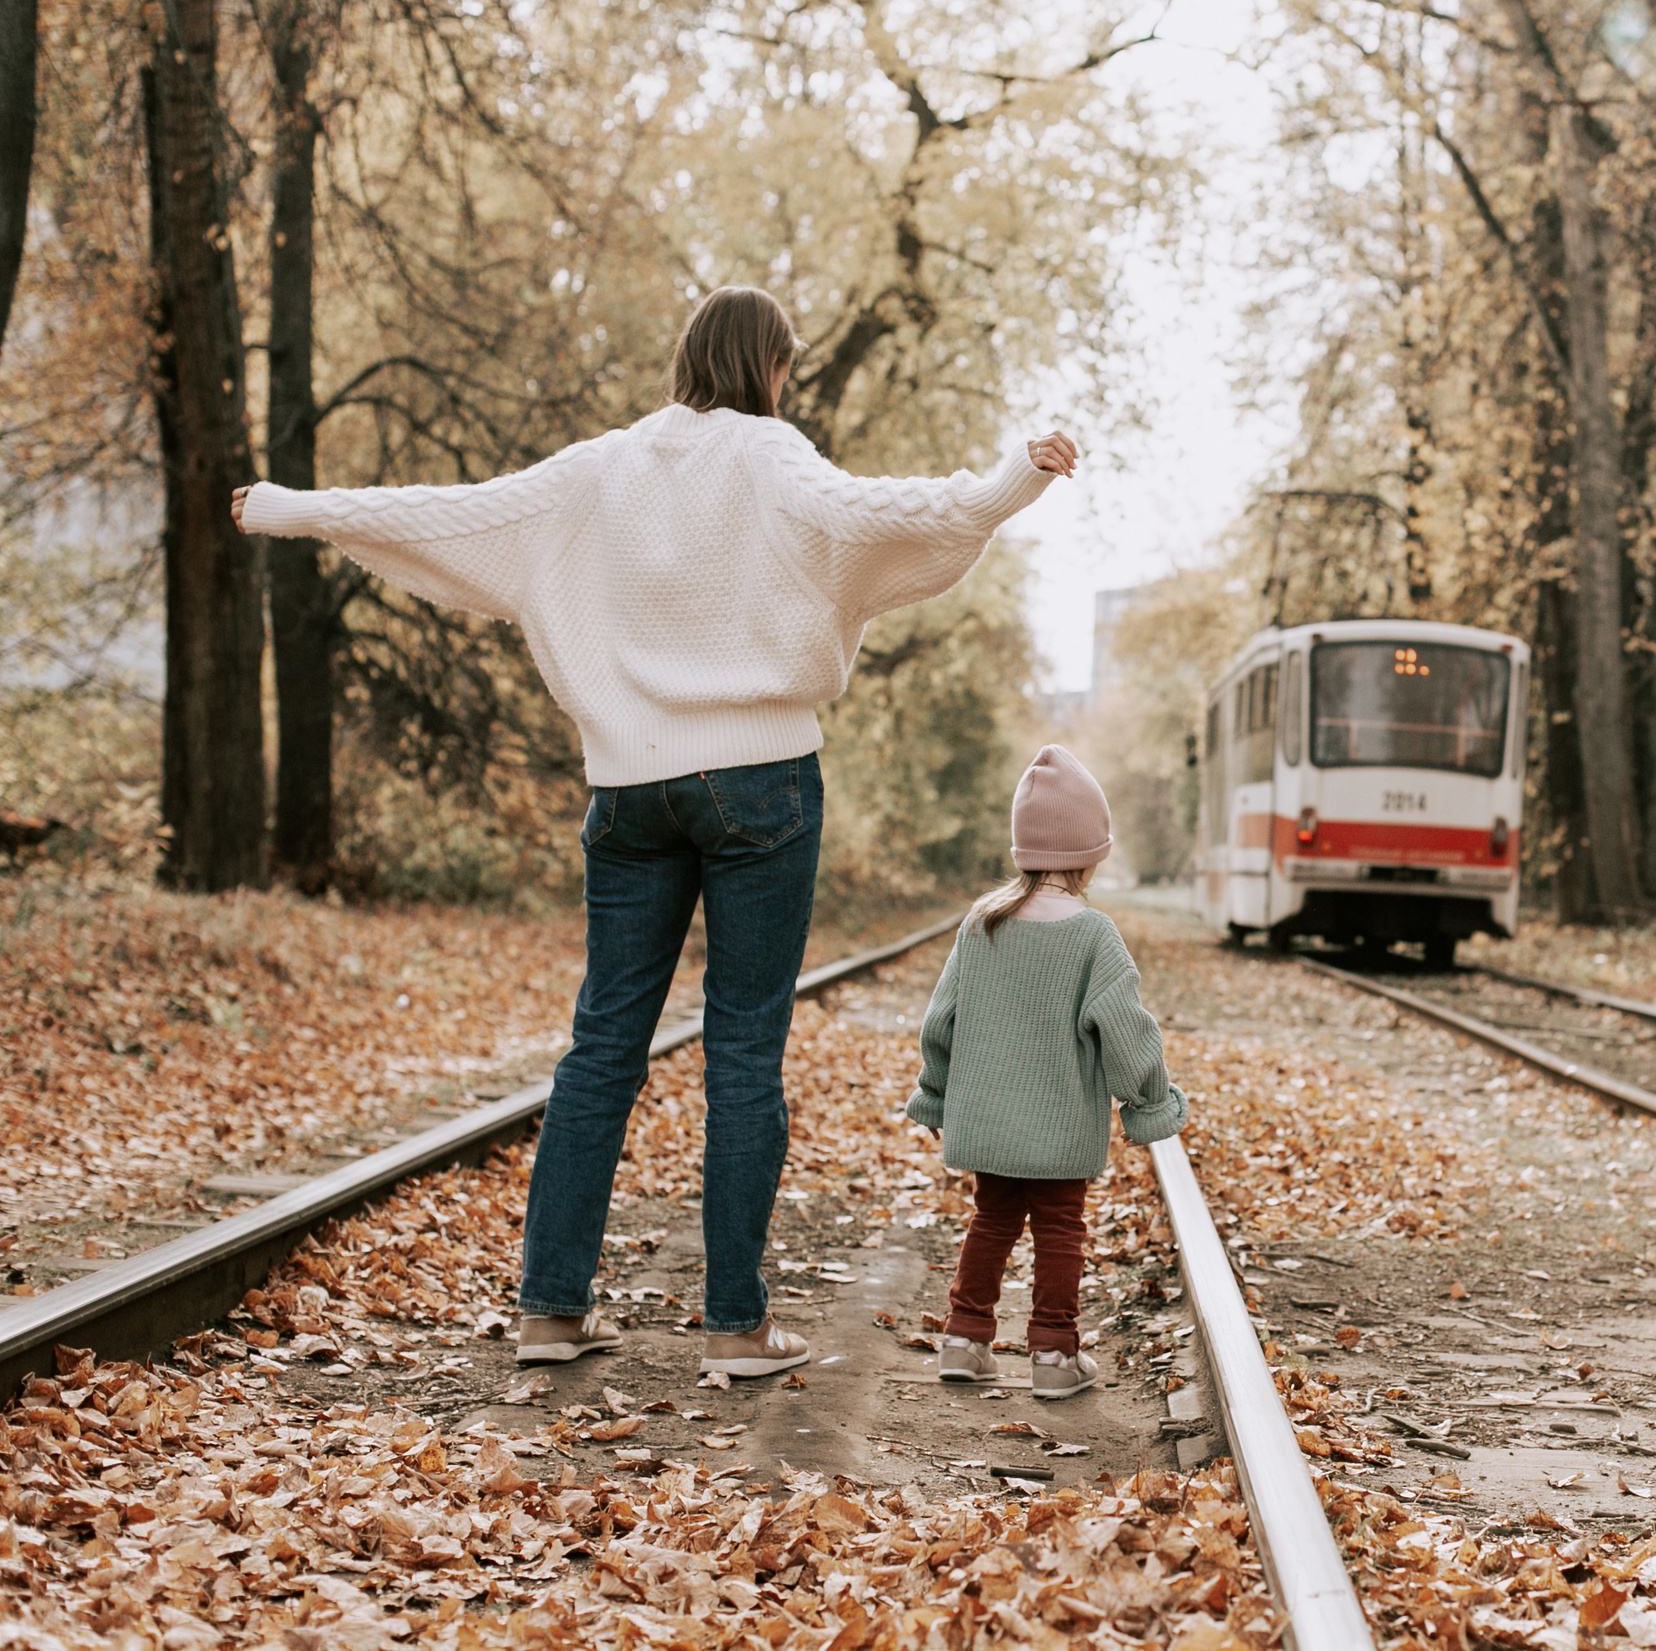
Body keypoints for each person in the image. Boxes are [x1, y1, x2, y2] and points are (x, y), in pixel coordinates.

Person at [231, 285, 1079, 1379]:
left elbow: (455, 511)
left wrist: (299, 506)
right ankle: (734, 1327)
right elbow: (881, 514)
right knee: (742, 1047)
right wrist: (1011, 480)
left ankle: (550, 1311)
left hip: (627, 790)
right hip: (761, 782)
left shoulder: (601, 469)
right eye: (787, 365)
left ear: (685, 358)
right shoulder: (773, 457)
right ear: (767, 366)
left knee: (602, 1046)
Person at [904, 745, 1187, 1400]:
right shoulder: (1093, 935)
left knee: (991, 1218)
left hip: (991, 1123)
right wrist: (1150, 1104)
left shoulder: (982, 924)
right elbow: (1128, 1033)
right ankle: (1054, 1353)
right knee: (1061, 1226)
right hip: (1059, 1129)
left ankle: (964, 1337)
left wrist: (935, 1094)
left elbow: (939, 1020)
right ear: (1088, 855)